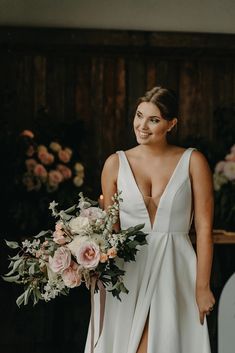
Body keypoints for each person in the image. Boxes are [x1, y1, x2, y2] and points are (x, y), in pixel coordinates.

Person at [84, 86, 215, 353]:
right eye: (139, 115)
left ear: (171, 124)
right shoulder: (115, 164)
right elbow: (112, 233)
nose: (142, 126)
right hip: (129, 270)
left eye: (153, 120)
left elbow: (204, 228)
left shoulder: (193, 161)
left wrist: (202, 287)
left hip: (176, 270)